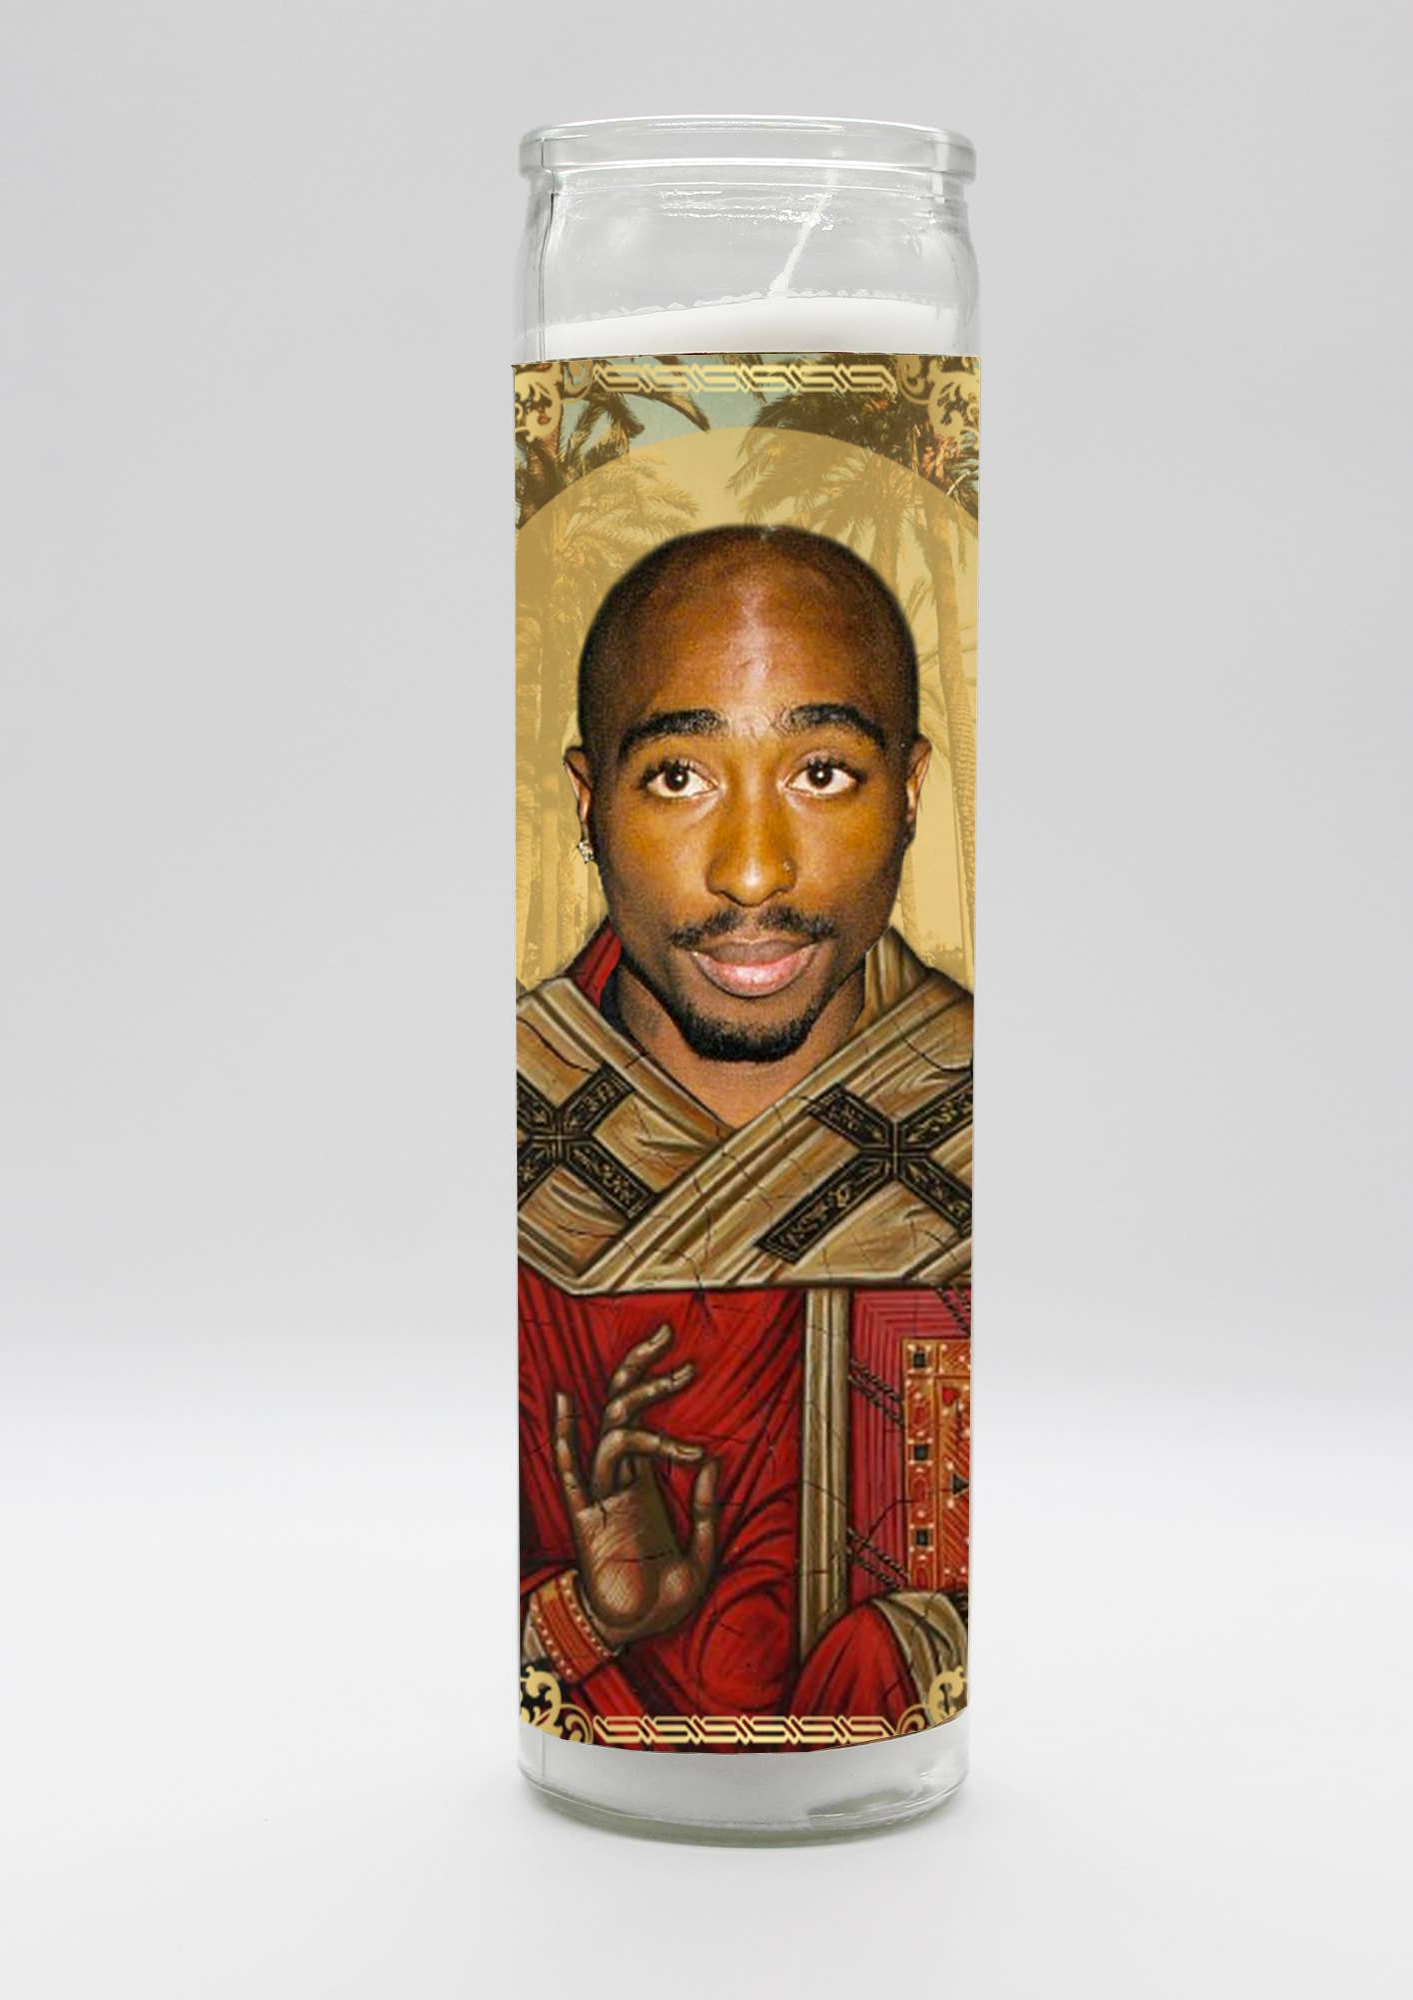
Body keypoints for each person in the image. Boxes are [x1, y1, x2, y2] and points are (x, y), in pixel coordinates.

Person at [517, 524, 971, 1749]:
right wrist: (588, 1615)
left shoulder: (968, 1120)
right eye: (679, 777)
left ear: (910, 792)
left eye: (821, 771)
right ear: (588, 804)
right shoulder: (514, 1126)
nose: (754, 871)